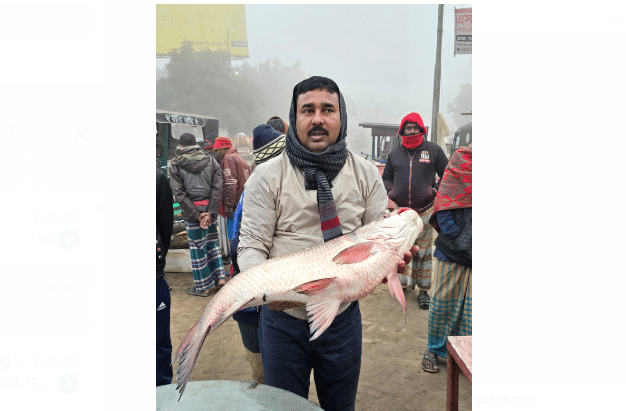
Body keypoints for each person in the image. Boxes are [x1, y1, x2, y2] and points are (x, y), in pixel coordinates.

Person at [237, 76, 417, 411]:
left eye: (327, 110)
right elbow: (250, 246)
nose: (318, 118)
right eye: (308, 110)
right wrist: (267, 291)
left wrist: (391, 260)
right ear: (294, 120)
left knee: (340, 406)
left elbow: (378, 235)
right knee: (285, 407)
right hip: (283, 321)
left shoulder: (365, 174)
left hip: (343, 319)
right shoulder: (267, 175)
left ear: (341, 117)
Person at [229, 123, 287, 386]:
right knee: (263, 371)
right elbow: (237, 246)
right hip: (252, 300)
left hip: (266, 295)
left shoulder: (277, 188)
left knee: (274, 367)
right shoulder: (257, 192)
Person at [382, 112, 448, 309]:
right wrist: (391, 191)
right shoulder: (394, 154)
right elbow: (386, 178)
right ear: (402, 131)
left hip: (425, 211)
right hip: (401, 214)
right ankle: (402, 285)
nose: (411, 131)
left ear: (422, 129)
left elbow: (447, 173)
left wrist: (434, 190)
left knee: (424, 252)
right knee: (400, 251)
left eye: (415, 128)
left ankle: (424, 291)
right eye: (408, 128)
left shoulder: (434, 151)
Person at [421, 144, 472, 373]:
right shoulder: (461, 161)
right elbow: (443, 204)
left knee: (470, 309)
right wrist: (456, 237)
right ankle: (433, 349)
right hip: (450, 251)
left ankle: (462, 353)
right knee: (443, 303)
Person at [169, 133, 226, 297]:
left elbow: (179, 194)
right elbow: (218, 187)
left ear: (180, 146)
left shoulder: (175, 164)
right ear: (196, 144)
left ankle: (202, 287)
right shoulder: (210, 160)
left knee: (197, 248)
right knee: (212, 243)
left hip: (192, 213)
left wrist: (196, 214)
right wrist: (210, 212)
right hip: (210, 210)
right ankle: (220, 278)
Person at [214, 136, 251, 242]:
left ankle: (233, 258)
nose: (217, 154)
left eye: (217, 150)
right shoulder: (239, 157)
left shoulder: (229, 159)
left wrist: (228, 206)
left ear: (222, 148)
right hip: (243, 202)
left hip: (235, 206)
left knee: (233, 239)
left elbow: (231, 184)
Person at [156, 168, 174, 386]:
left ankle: (161, 392)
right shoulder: (157, 177)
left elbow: (165, 224)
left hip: (153, 275)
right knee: (159, 341)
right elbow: (165, 226)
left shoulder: (157, 178)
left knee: (158, 339)